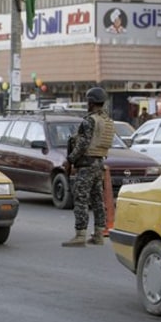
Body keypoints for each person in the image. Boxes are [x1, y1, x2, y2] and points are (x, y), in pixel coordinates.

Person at [62, 87, 115, 247]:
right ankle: (99, 235)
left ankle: (80, 235)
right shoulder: (106, 121)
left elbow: (83, 143)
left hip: (87, 164)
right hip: (99, 163)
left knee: (81, 198)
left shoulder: (89, 120)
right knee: (97, 199)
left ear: (91, 102)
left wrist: (70, 160)